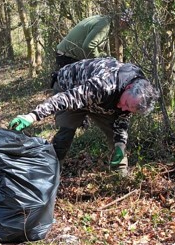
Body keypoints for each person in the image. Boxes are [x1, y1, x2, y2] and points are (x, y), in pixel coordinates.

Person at [9, 57, 159, 174]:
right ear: (128, 87)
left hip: (103, 102)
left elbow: (122, 118)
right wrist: (32, 116)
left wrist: (121, 144)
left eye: (128, 108)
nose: (122, 107)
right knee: (66, 133)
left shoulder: (137, 91)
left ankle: (119, 176)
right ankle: (50, 174)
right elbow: (65, 99)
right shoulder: (104, 85)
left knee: (116, 139)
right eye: (125, 103)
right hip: (70, 86)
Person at [55, 11, 133, 69]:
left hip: (68, 56)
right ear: (122, 21)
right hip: (67, 58)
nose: (125, 28)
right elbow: (88, 46)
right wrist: (99, 61)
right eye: (126, 25)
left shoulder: (102, 19)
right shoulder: (104, 25)